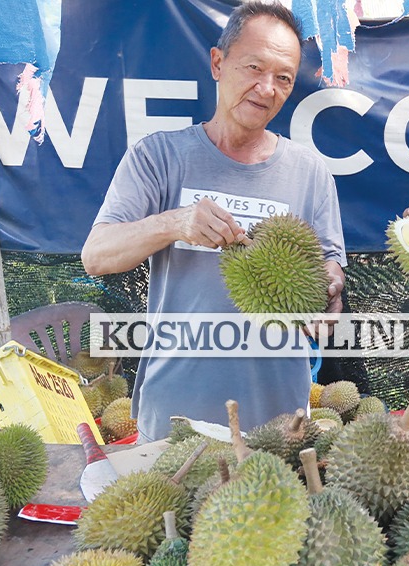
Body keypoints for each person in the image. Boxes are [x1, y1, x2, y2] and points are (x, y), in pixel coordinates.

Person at [81, 1, 346, 442]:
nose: (267, 88)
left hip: (279, 425)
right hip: (175, 421)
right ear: (218, 63)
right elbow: (96, 255)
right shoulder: (158, 157)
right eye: (254, 67)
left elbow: (330, 266)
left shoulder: (311, 173)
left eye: (283, 78)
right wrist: (175, 223)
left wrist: (330, 289)